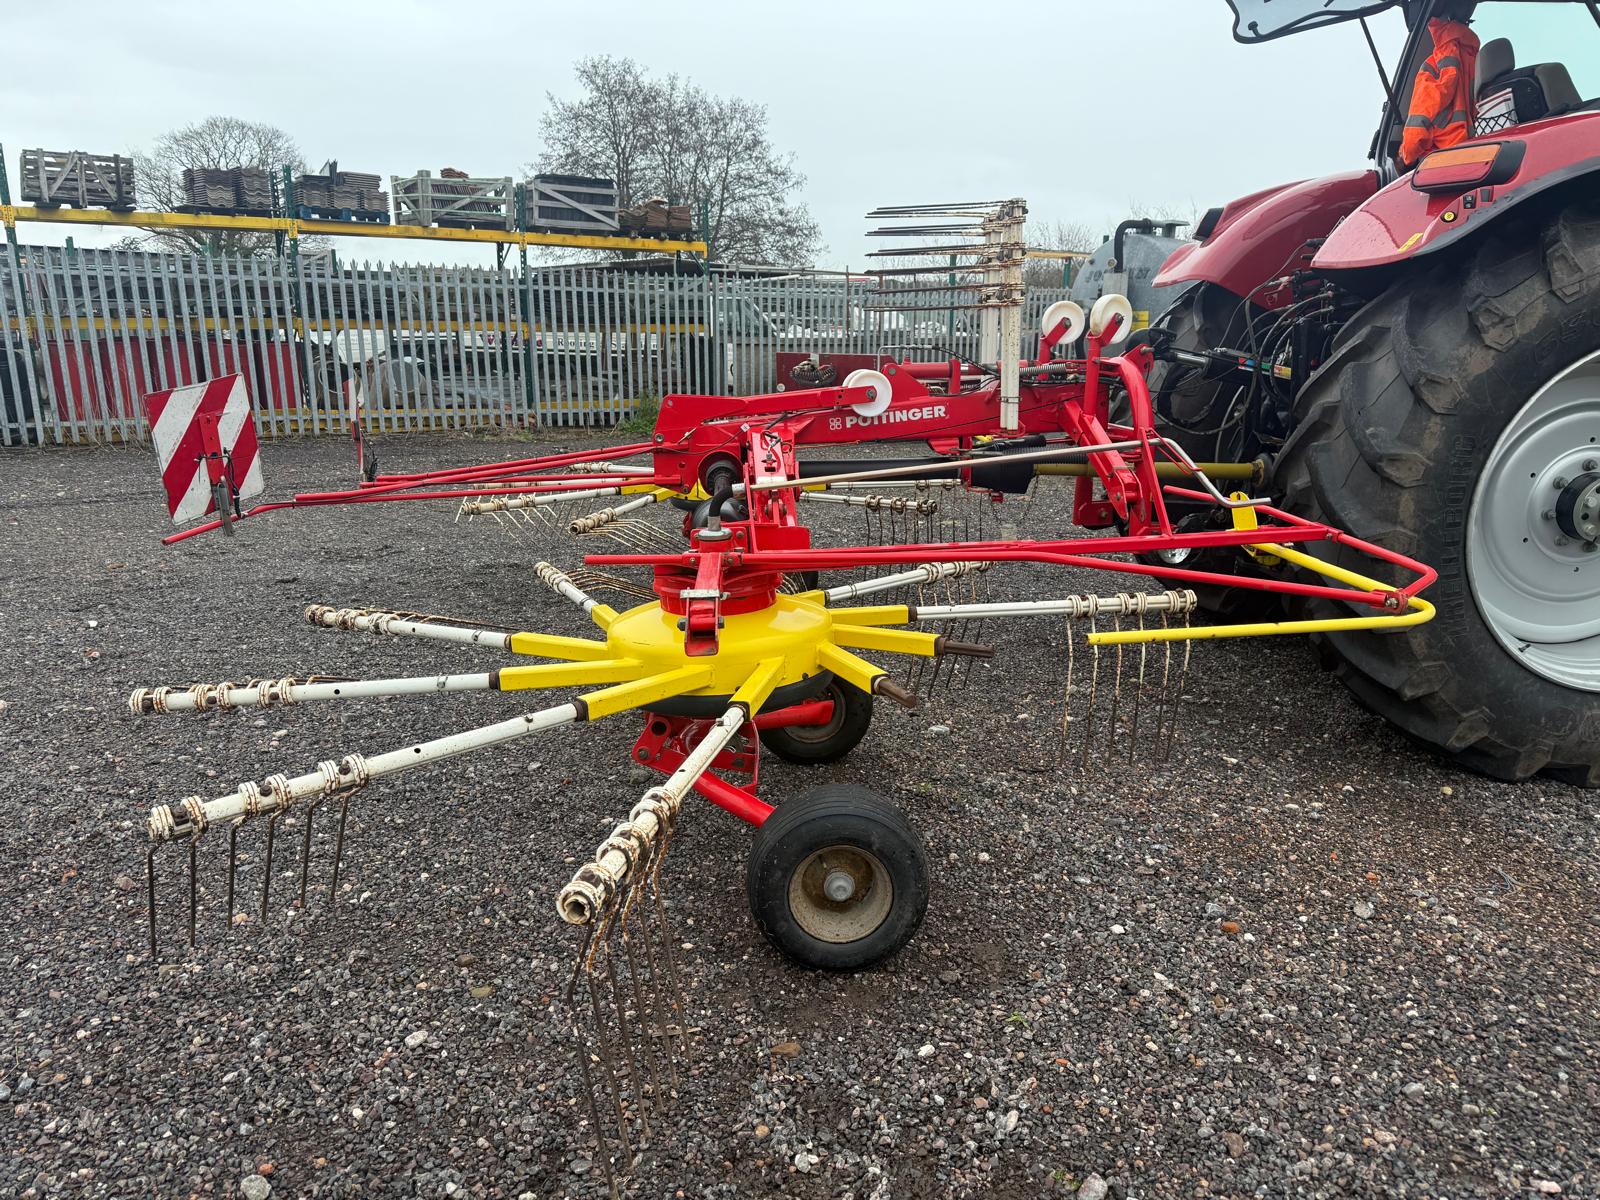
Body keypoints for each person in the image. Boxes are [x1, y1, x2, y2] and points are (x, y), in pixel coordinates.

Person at [1400, 1, 1482, 168]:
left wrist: (1404, 158)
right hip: (1479, 150)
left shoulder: (1433, 66)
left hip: (1447, 162)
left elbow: (1417, 128)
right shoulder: (1477, 59)